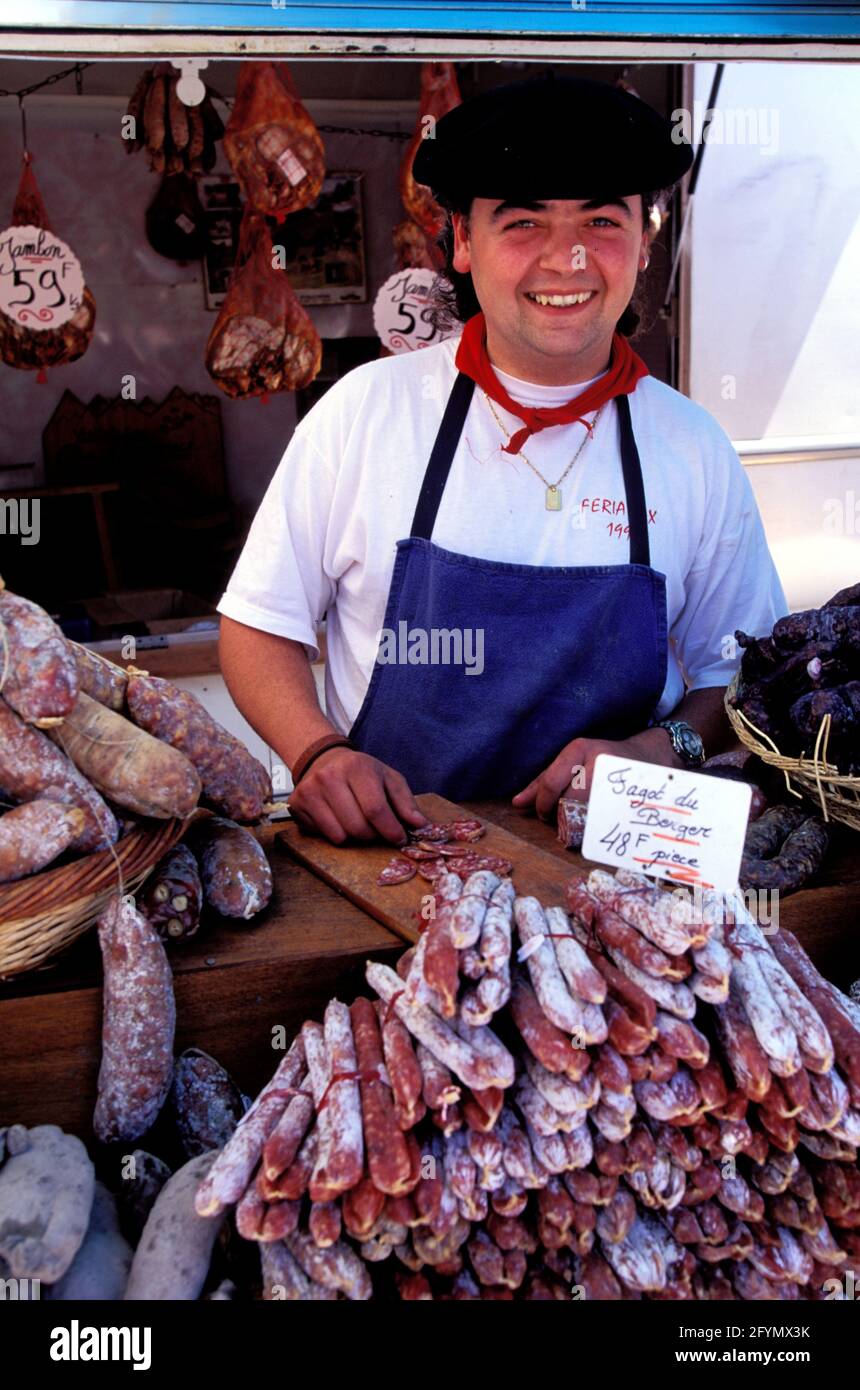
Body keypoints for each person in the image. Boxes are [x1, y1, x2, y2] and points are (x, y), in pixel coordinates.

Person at [217, 72, 787, 846]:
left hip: (619, 871)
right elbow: (259, 626)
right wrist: (317, 752)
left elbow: (746, 675)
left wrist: (662, 749)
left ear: (644, 243)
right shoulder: (364, 413)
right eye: (523, 223)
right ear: (461, 240)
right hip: (392, 862)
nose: (566, 259)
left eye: (601, 220)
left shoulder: (692, 448)